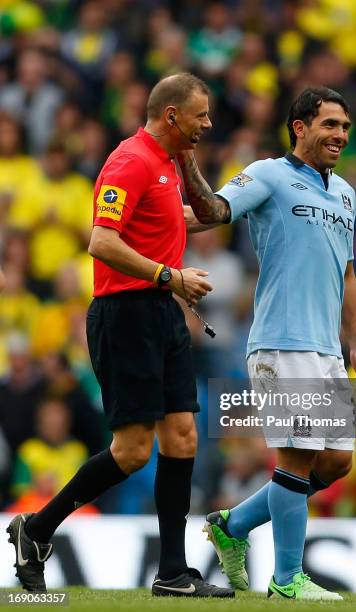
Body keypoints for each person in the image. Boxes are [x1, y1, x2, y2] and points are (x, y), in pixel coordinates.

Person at [6, 73, 233, 599]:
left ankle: (173, 572)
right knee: (132, 451)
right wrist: (170, 276)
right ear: (171, 115)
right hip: (126, 314)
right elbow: (101, 241)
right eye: (201, 114)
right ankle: (36, 529)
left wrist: (225, 206)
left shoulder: (168, 163)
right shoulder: (129, 160)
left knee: (183, 437)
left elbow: (170, 218)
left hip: (161, 312)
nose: (209, 123)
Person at [179, 87, 356, 600]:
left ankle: (234, 524)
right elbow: (214, 208)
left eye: (346, 128)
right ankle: (288, 579)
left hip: (327, 350)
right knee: (298, 456)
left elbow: (348, 275)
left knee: (335, 463)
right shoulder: (268, 174)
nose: (341, 135)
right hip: (280, 340)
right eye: (331, 125)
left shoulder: (346, 194)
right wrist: (184, 165)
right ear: (300, 127)